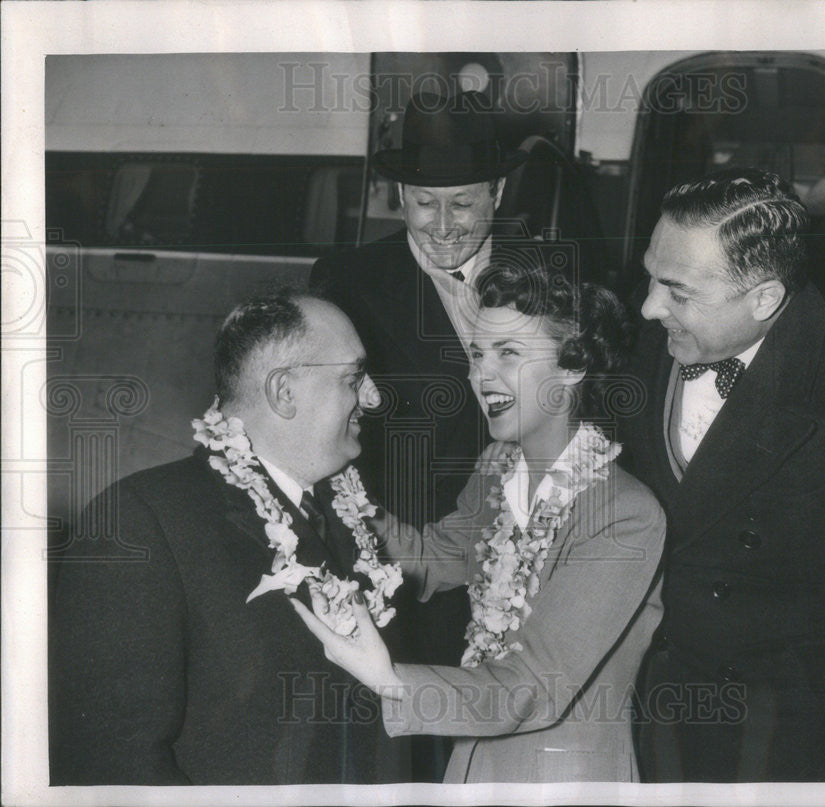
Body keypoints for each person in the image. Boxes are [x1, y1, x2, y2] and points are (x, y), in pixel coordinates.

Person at [620, 168, 825, 781]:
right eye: (650, 275)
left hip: (777, 731)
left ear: (766, 299)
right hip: (634, 693)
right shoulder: (648, 341)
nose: (648, 306)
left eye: (677, 291)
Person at [292, 258, 667, 783]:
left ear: (573, 365)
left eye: (508, 353)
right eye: (476, 353)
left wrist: (392, 681)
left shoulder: (624, 515)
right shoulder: (498, 468)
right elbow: (436, 557)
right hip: (473, 760)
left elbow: (534, 684)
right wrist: (335, 485)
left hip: (564, 778)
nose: (480, 375)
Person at [49, 290, 410, 785]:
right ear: (284, 392)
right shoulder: (141, 519)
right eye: (353, 378)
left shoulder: (349, 519)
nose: (373, 396)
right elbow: (113, 759)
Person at [309, 89, 529, 779]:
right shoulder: (346, 280)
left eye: (462, 202)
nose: (441, 225)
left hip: (530, 558)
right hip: (405, 567)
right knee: (413, 755)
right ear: (397, 194)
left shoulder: (553, 268)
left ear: (497, 189)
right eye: (422, 202)